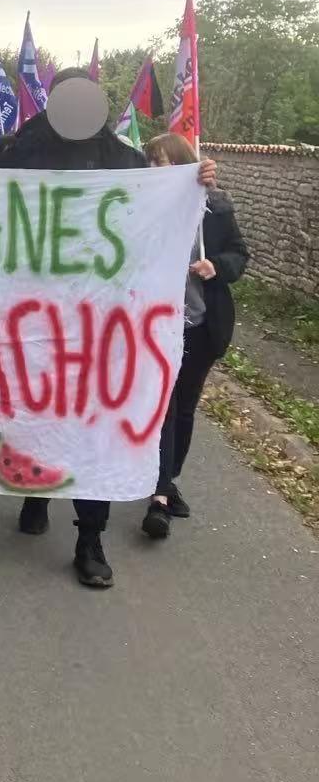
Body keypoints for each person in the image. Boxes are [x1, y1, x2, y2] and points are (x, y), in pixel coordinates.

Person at [0, 69, 218, 589]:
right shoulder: (23, 149)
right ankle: (37, 492)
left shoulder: (123, 158)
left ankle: (89, 537)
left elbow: (157, 213)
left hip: (100, 317)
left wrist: (194, 183)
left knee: (94, 424)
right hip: (36, 312)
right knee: (42, 409)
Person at [141, 133, 249, 539]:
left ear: (186, 164)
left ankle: (168, 479)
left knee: (184, 409)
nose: (155, 169)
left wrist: (216, 265)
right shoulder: (143, 207)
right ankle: (160, 497)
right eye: (150, 162)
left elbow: (240, 253)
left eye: (162, 161)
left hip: (200, 325)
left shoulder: (215, 208)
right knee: (164, 409)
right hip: (154, 328)